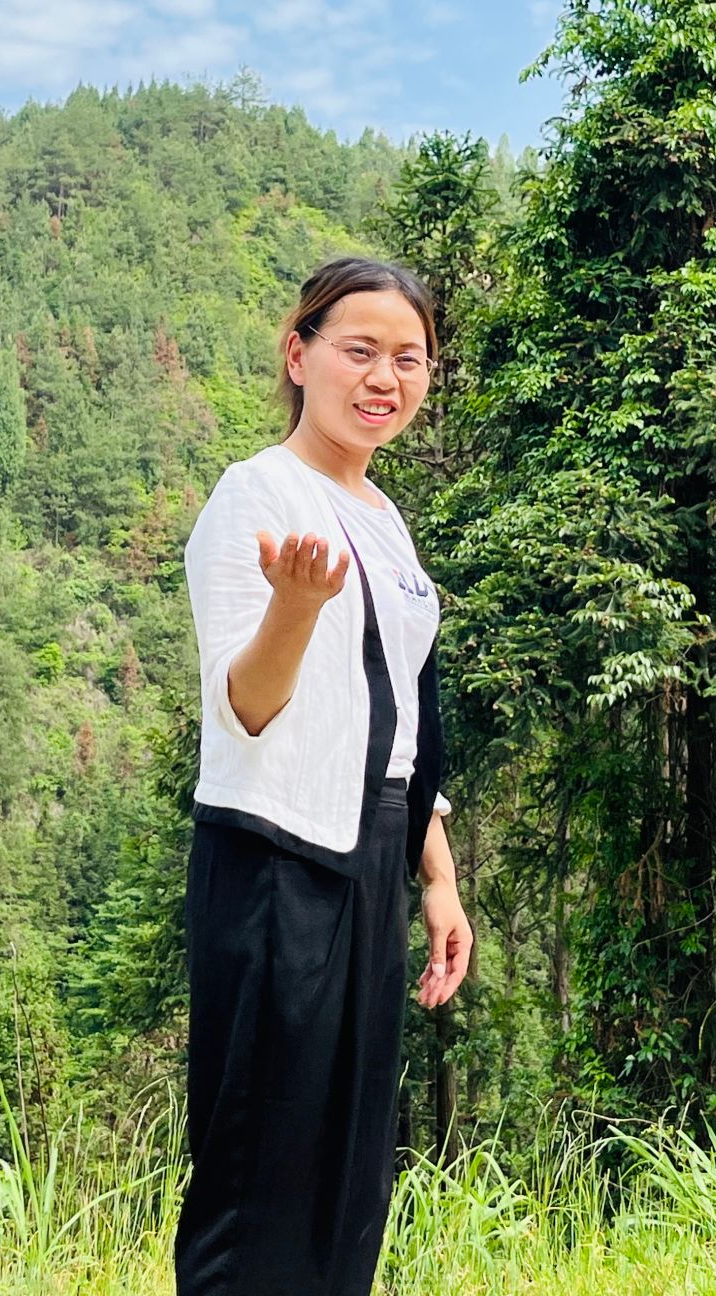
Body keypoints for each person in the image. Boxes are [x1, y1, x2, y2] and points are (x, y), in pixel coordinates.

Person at [173, 255, 473, 1296]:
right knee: (261, 1170)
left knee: (349, 1171)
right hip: (274, 860)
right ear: (299, 356)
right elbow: (245, 707)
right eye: (359, 350)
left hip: (372, 854)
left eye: (409, 358)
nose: (385, 377)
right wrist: (294, 608)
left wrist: (436, 875)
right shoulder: (255, 493)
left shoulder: (384, 520)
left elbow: (394, 716)